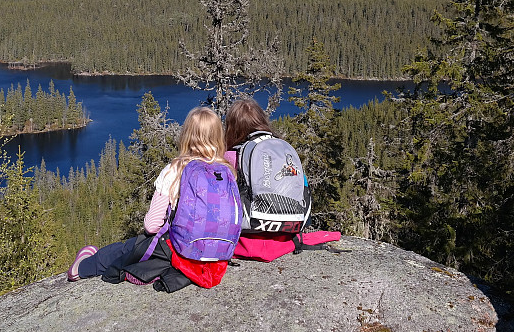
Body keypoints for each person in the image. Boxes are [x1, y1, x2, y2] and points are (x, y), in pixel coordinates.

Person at [67, 106, 236, 292]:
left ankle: (81, 268)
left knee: (126, 249)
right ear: (218, 136)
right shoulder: (227, 171)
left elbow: (152, 225)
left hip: (181, 249)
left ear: (187, 135)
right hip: (219, 254)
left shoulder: (175, 170)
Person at [224, 98, 340, 262]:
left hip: (249, 233)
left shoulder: (230, 156)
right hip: (286, 234)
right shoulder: (281, 149)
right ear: (263, 122)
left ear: (232, 128)